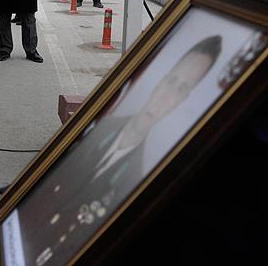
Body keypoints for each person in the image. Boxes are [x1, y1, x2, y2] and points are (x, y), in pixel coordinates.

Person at [15, 35, 223, 266]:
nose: (165, 97)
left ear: (183, 101)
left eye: (181, 89)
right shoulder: (98, 127)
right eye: (171, 81)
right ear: (160, 79)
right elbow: (46, 180)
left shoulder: (144, 179)